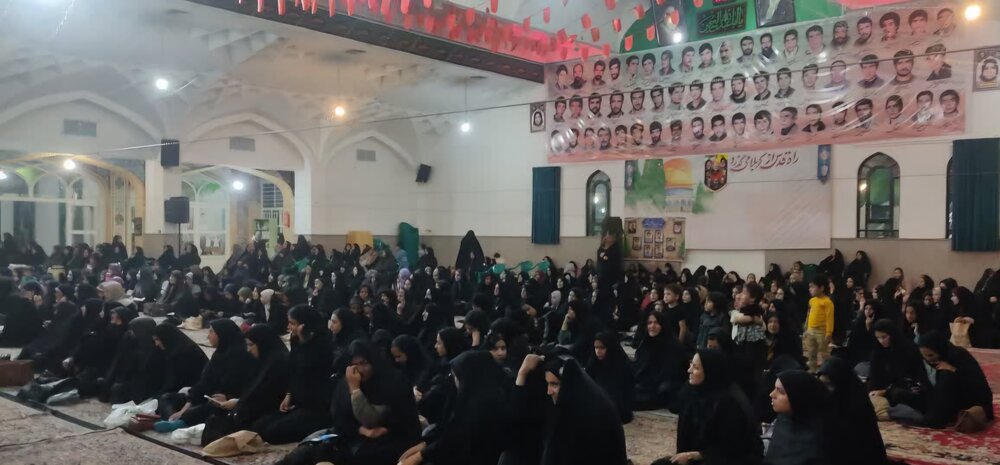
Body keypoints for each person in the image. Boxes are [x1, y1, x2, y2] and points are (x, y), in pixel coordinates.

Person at [398, 351, 510, 465]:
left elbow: (456, 441)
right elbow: (450, 429)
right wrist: (425, 445)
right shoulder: (470, 397)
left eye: (457, 377)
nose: (455, 381)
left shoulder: (484, 407)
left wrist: (420, 455)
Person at [652, 350, 762, 465]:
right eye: (691, 365)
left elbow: (735, 449)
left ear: (710, 371)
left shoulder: (729, 403)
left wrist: (698, 455)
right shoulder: (691, 390)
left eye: (696, 368)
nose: (689, 370)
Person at [515, 354, 628, 465]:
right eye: (548, 384)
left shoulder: (590, 414)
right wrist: (522, 375)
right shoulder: (570, 405)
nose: (549, 392)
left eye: (554, 384)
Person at [255, 305, 335, 444]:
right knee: (259, 425)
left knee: (271, 433)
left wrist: (303, 339)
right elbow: (293, 370)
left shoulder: (323, 345)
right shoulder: (296, 340)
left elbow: (307, 368)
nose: (289, 327)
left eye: (293, 323)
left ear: (305, 325)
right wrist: (289, 395)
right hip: (298, 402)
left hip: (316, 407)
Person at [156, 319, 256, 430]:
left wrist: (229, 397)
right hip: (208, 396)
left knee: (211, 408)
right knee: (166, 398)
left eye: (211, 332)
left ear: (222, 334)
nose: (208, 337)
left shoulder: (241, 357)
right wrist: (184, 408)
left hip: (227, 402)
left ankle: (182, 421)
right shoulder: (219, 354)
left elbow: (244, 388)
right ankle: (173, 418)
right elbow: (204, 383)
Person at [202, 324, 290, 445]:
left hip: (275, 410)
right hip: (253, 406)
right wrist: (236, 401)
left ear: (263, 343)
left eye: (251, 345)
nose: (248, 350)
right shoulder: (262, 361)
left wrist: (239, 403)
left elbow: (270, 397)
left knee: (254, 427)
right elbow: (252, 390)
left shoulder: (279, 363)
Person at [817, 357, 888, 464]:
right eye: (822, 385)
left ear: (841, 383)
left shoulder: (857, 406)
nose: (825, 390)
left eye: (829, 385)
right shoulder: (826, 403)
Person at [917, 331, 994, 428]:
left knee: (946, 376)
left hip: (974, 401)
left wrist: (953, 370)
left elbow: (976, 386)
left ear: (940, 349)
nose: (928, 360)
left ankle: (938, 417)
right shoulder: (933, 361)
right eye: (924, 356)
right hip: (952, 400)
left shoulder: (959, 356)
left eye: (931, 355)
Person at [764, 370, 831, 465]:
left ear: (797, 396)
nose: (772, 394)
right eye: (774, 389)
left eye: (781, 392)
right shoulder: (784, 420)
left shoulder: (822, 436)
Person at [868, 319, 930, 420]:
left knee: (898, 394)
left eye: (884, 337)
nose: (881, 341)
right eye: (878, 338)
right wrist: (874, 391)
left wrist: (886, 391)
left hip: (908, 391)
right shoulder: (878, 351)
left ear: (892, 335)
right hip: (885, 392)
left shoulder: (907, 349)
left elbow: (910, 380)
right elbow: (875, 375)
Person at [634, 311, 687, 410]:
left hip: (663, 385)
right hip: (646, 382)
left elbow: (672, 373)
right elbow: (640, 365)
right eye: (649, 323)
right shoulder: (646, 342)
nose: (652, 326)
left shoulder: (673, 346)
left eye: (656, 323)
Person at [586, 331, 634, 424]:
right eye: (596, 347)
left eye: (602, 348)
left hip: (617, 406)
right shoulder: (594, 362)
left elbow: (623, 394)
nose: (598, 351)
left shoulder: (622, 366)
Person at [152, 323, 208, 396]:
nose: (156, 344)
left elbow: (176, 383)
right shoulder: (174, 348)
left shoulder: (183, 353)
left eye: (158, 340)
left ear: (166, 337)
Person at [803, 276, 834, 372]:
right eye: (809, 287)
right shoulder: (811, 301)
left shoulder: (827, 302)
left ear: (821, 288)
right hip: (810, 330)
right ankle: (812, 372)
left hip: (821, 331)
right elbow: (809, 315)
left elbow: (829, 318)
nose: (810, 289)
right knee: (811, 354)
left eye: (812, 287)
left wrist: (829, 333)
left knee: (824, 354)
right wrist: (806, 329)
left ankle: (827, 372)